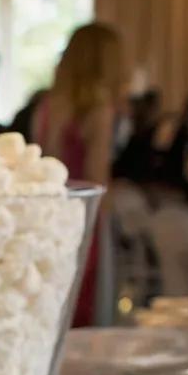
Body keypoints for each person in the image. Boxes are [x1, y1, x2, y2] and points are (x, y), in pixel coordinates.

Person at [38, 22, 125, 324]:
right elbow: (96, 178)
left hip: (50, 213)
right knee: (88, 304)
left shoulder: (48, 105)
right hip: (84, 216)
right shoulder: (99, 109)